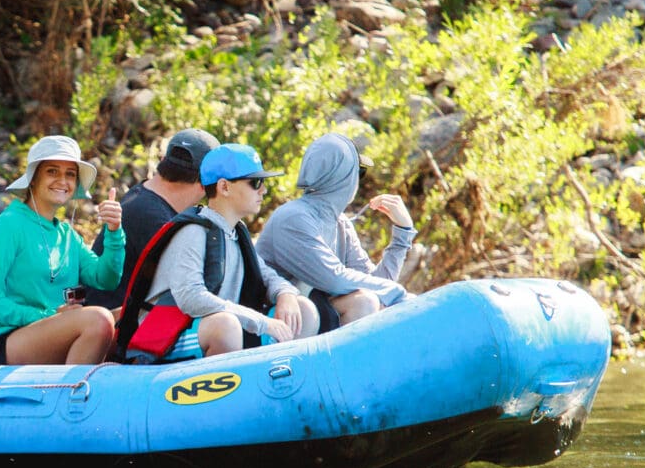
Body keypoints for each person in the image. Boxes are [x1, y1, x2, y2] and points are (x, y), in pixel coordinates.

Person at [116, 144, 316, 361]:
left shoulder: (235, 233)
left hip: (217, 327)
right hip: (167, 337)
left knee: (303, 309)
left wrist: (286, 295)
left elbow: (268, 276)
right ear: (224, 187)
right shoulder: (193, 231)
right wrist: (260, 322)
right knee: (226, 326)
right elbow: (190, 297)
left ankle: (278, 386)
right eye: (255, 183)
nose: (264, 190)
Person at [0, 135, 126, 366]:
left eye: (70, 174)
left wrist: (114, 231)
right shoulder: (7, 226)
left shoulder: (67, 235)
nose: (62, 180)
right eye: (52, 171)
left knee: (135, 316)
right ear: (33, 178)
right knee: (99, 320)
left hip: (50, 331)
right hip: (1, 344)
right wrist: (48, 316)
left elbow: (106, 279)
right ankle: (70, 398)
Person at [255, 132, 417, 332]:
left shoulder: (339, 223)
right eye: (359, 172)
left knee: (370, 299)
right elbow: (334, 279)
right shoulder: (293, 217)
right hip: (274, 320)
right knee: (364, 302)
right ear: (344, 177)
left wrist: (402, 233)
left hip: (311, 314)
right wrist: (398, 294)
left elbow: (378, 283)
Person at [85, 128, 220, 310]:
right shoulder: (153, 218)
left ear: (163, 161)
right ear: (207, 182)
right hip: (115, 329)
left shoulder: (143, 198)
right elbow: (195, 290)